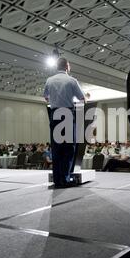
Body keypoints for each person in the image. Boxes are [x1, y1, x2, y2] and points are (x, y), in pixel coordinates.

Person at [44, 57, 86, 188]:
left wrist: (55, 101)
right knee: (68, 148)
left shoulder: (49, 80)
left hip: (55, 114)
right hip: (67, 114)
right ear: (67, 66)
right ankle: (65, 179)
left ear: (57, 66)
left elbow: (46, 97)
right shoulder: (72, 80)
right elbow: (82, 99)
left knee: (56, 148)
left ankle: (57, 179)